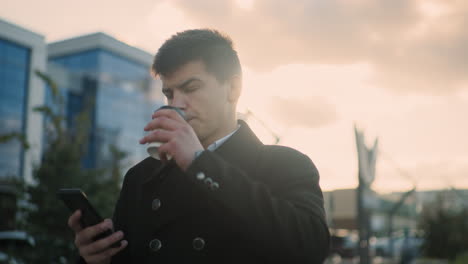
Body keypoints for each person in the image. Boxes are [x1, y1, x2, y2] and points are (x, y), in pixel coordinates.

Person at [68, 29, 330, 264]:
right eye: (169, 93)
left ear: (234, 88)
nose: (177, 103)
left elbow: (310, 248)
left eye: (191, 88)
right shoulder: (141, 177)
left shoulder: (284, 164)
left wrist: (199, 162)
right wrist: (96, 258)